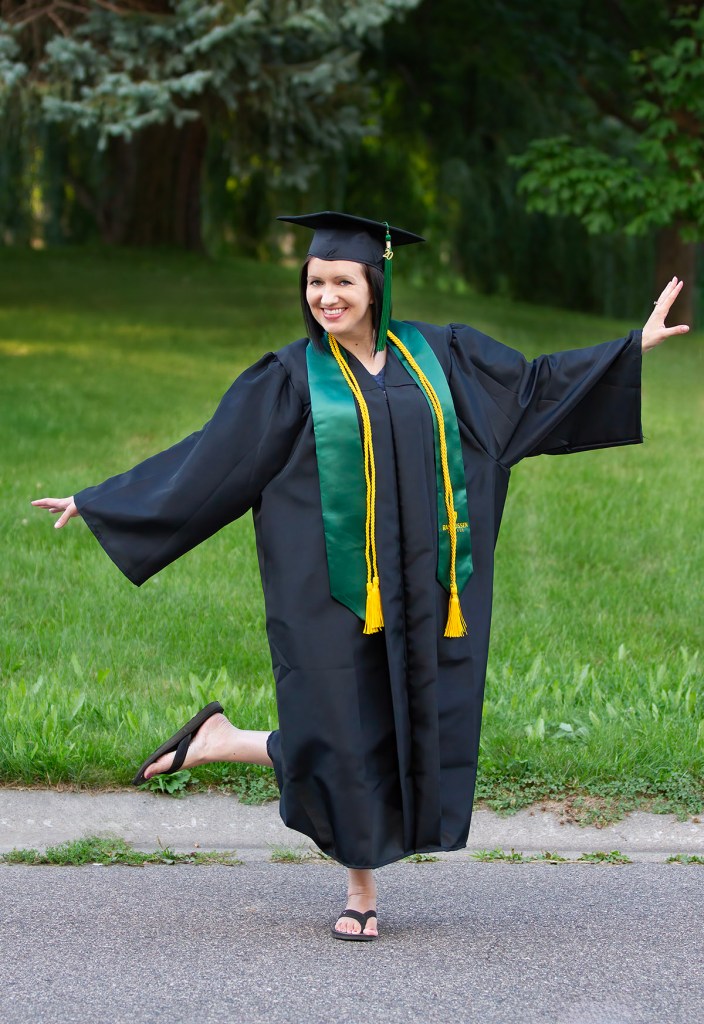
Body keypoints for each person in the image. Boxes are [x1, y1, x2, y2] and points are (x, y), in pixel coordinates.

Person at [33, 212, 689, 942]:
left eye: (341, 281)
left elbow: (530, 391)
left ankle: (220, 739)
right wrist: (101, 502)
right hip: (329, 591)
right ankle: (361, 893)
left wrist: (633, 346)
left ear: (374, 283)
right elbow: (214, 458)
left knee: (400, 721)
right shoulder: (288, 379)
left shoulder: (439, 356)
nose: (326, 296)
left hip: (428, 588)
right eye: (315, 282)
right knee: (341, 731)